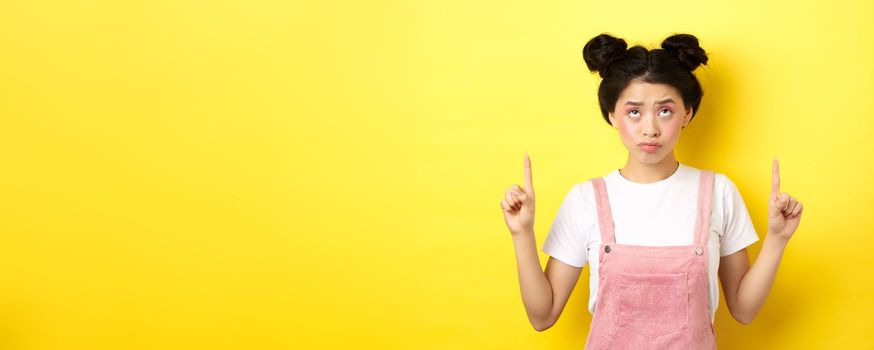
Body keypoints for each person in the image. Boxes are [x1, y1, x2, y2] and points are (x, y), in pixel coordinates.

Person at [500, 33, 804, 349]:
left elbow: (743, 310)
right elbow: (542, 315)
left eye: (665, 111)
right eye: (634, 112)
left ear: (687, 113)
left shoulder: (718, 192)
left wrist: (777, 239)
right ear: (611, 115)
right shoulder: (585, 200)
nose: (650, 128)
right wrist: (521, 234)